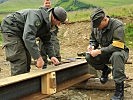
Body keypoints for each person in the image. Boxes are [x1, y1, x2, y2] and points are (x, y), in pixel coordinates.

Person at [1, 6, 67, 76]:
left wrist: (52, 56)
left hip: (22, 32)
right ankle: (17, 85)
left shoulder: (47, 23)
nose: (59, 25)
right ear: (54, 18)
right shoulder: (37, 18)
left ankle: (25, 83)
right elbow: (28, 37)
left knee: (27, 59)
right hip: (11, 29)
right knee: (20, 59)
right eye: (59, 22)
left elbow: (47, 41)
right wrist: (38, 57)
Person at [85, 8, 129, 100]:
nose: (97, 28)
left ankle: (119, 90)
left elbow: (118, 46)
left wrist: (100, 51)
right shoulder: (96, 26)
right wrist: (92, 46)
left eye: (98, 25)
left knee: (116, 56)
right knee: (89, 56)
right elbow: (93, 39)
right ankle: (105, 70)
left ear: (105, 19)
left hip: (119, 52)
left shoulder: (117, 25)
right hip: (106, 53)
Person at [38, 0, 61, 69]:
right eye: (46, 3)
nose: (47, 4)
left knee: (55, 48)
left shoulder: (54, 12)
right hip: (43, 35)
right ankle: (43, 66)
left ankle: (57, 64)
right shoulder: (40, 11)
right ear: (43, 4)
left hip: (53, 34)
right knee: (42, 50)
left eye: (49, 3)